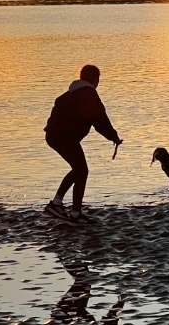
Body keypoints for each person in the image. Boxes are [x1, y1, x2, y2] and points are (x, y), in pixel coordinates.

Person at [44, 63, 122, 221]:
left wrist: (110, 135)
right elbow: (99, 119)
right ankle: (72, 211)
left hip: (57, 136)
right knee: (82, 170)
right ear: (96, 79)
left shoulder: (75, 91)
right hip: (63, 136)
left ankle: (59, 205)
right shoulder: (87, 93)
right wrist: (113, 136)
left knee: (78, 169)